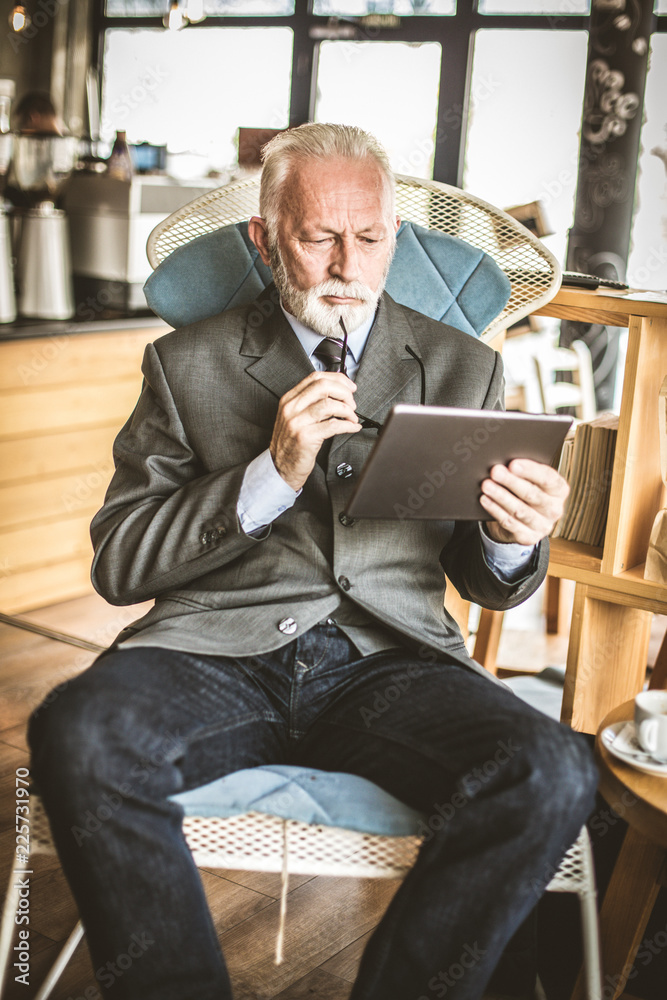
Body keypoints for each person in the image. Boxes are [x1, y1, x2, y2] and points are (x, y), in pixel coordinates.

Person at [29, 123, 597, 1000]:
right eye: (317, 235)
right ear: (263, 239)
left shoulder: (461, 367)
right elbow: (119, 562)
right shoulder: (187, 363)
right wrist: (269, 474)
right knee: (75, 732)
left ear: (394, 239)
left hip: (391, 664)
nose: (347, 263)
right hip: (213, 655)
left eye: (368, 238)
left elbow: (484, 580)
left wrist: (512, 537)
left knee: (553, 768)